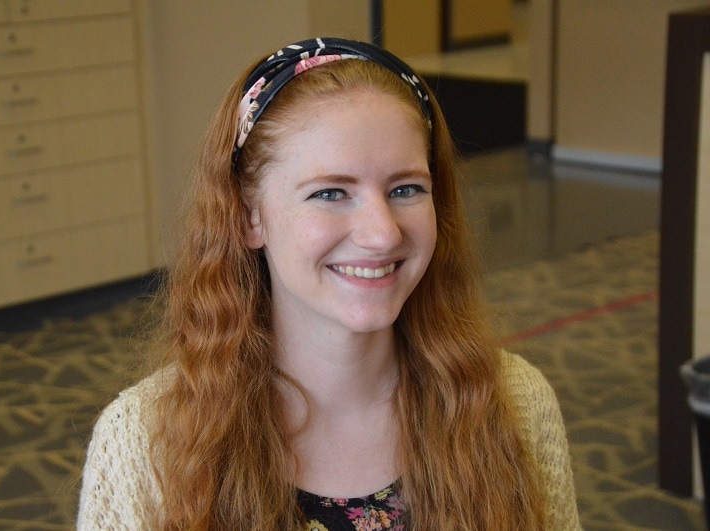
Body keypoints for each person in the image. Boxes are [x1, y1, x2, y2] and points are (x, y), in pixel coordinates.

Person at [77, 37, 579, 530]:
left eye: (406, 188)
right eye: (331, 193)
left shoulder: (514, 404)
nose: (382, 233)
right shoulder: (146, 443)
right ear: (250, 217)